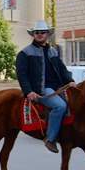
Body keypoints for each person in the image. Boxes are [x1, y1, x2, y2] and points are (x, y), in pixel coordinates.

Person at [16, 20, 75, 153]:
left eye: (43, 32)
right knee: (60, 106)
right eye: (37, 32)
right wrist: (29, 91)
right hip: (42, 90)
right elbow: (22, 75)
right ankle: (50, 138)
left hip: (58, 87)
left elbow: (62, 69)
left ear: (48, 34)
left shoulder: (53, 51)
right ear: (33, 35)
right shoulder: (25, 53)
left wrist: (70, 80)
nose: (40, 34)